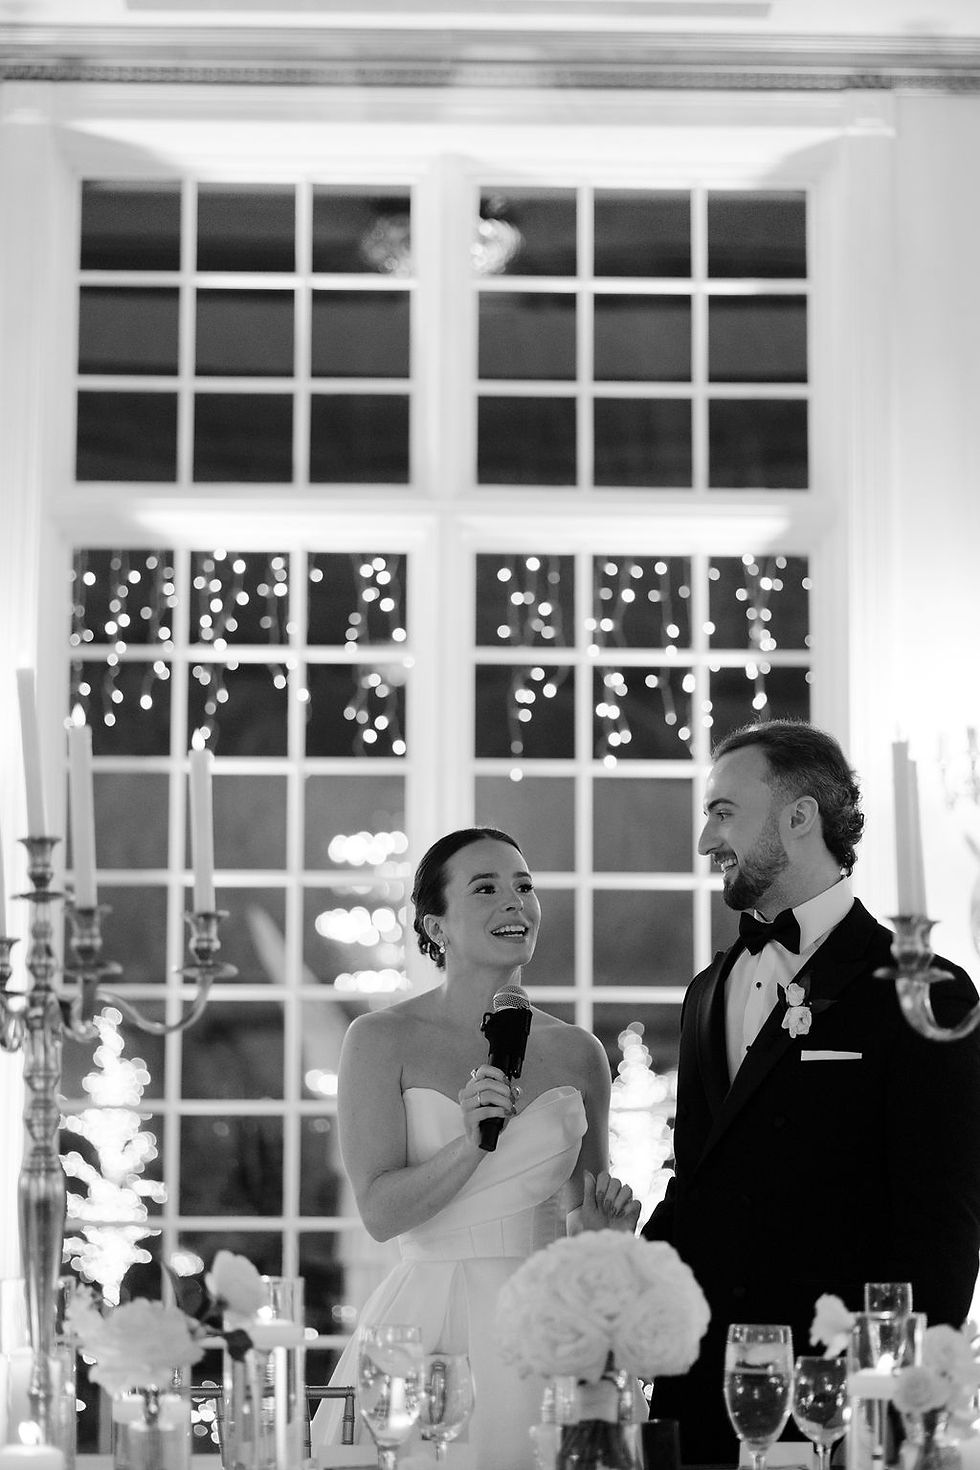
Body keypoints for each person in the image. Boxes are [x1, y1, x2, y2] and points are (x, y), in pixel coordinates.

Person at [643, 719, 980, 1465]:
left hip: (840, 1404)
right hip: (703, 1395)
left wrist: (893, 1410)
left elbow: (943, 1225)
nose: (705, 841)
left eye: (723, 812)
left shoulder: (927, 993)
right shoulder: (707, 992)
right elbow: (698, 1187)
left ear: (800, 817)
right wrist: (622, 1290)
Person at [311, 825, 640, 1470]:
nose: (514, 903)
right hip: (428, 1319)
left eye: (524, 887)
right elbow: (380, 1214)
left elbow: (581, 1223)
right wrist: (470, 1144)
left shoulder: (579, 1054)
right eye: (485, 888)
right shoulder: (380, 1040)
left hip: (545, 1324)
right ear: (435, 924)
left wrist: (605, 1235)